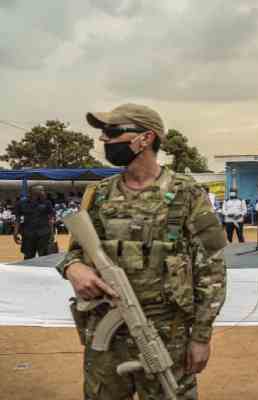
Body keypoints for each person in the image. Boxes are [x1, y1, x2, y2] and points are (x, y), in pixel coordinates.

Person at [55, 103, 227, 399]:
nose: (104, 141)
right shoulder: (99, 194)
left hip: (166, 334)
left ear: (145, 138)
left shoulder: (187, 194)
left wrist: (201, 336)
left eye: (112, 132)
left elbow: (212, 270)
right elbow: (75, 252)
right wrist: (73, 268)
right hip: (105, 336)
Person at [14, 185, 55, 259]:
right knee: (28, 257)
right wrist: (15, 232)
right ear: (34, 192)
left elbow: (51, 219)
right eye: (41, 190)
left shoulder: (47, 203)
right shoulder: (21, 203)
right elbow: (17, 219)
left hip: (44, 234)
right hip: (28, 235)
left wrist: (52, 234)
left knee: (44, 257)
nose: (44, 192)